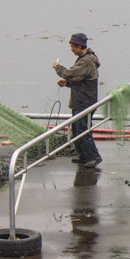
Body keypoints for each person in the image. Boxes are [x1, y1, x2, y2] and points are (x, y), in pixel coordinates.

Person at [52, 32, 102, 168]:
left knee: (83, 131)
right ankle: (83, 155)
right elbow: (79, 79)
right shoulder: (85, 59)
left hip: (84, 103)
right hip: (80, 101)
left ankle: (94, 157)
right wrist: (67, 83)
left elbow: (70, 73)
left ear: (79, 46)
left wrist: (58, 67)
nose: (71, 49)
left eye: (72, 46)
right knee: (76, 130)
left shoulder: (86, 61)